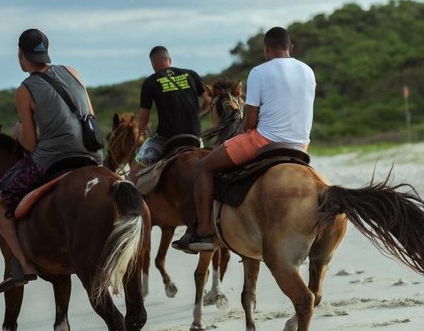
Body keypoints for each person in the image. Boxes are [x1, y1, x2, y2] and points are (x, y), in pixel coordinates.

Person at [175, 26, 316, 252]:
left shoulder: (259, 72)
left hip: (263, 141)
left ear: (266, 49)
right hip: (301, 145)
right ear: (290, 47)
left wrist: (242, 128)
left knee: (203, 168)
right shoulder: (308, 71)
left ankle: (203, 233)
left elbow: (250, 122)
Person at [0, 28, 102, 293]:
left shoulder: (25, 89)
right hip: (92, 154)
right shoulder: (74, 72)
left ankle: (25, 264)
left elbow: (30, 145)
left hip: (53, 159)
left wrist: (17, 133)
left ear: (20, 55)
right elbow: (90, 116)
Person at [128, 46, 211, 184]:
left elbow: (143, 118)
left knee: (133, 174)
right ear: (169, 60)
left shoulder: (150, 82)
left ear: (153, 63)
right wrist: (197, 115)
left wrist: (142, 131)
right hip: (195, 137)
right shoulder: (192, 74)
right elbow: (209, 102)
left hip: (165, 139)